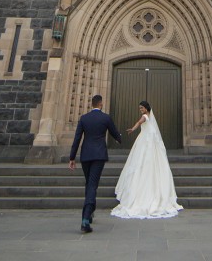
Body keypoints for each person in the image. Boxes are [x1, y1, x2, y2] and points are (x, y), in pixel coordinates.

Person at [111, 100, 182, 219]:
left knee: (140, 161)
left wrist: (132, 129)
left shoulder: (144, 116)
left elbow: (139, 123)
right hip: (149, 142)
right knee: (147, 162)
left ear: (146, 108)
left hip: (144, 142)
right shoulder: (150, 117)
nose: (141, 110)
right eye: (140, 108)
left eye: (142, 108)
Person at [69, 94, 122, 233]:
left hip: (85, 155)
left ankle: (90, 211)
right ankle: (85, 219)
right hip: (99, 155)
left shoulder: (84, 118)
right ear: (101, 104)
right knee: (92, 184)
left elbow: (77, 138)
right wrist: (120, 139)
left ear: (92, 104)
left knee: (89, 183)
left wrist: (72, 158)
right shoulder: (105, 118)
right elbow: (115, 133)